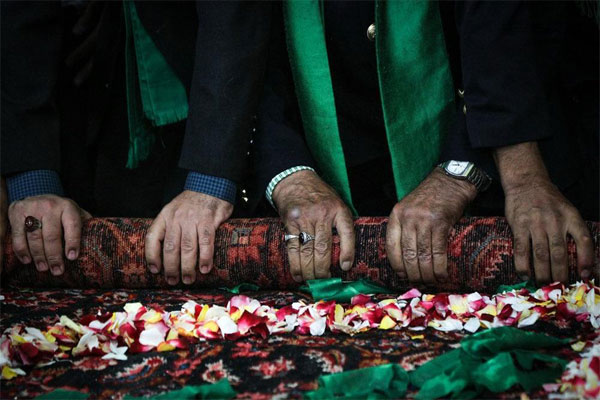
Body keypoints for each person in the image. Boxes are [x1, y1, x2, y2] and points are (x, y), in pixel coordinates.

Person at [252, 0, 596, 284]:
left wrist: (475, 167)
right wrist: (289, 173)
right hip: (322, 159)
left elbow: (505, 24)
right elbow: (242, 30)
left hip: (486, 150)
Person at [1, 1, 270, 285]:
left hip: (203, 86)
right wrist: (32, 182)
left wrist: (209, 184)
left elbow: (233, 13)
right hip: (76, 76)